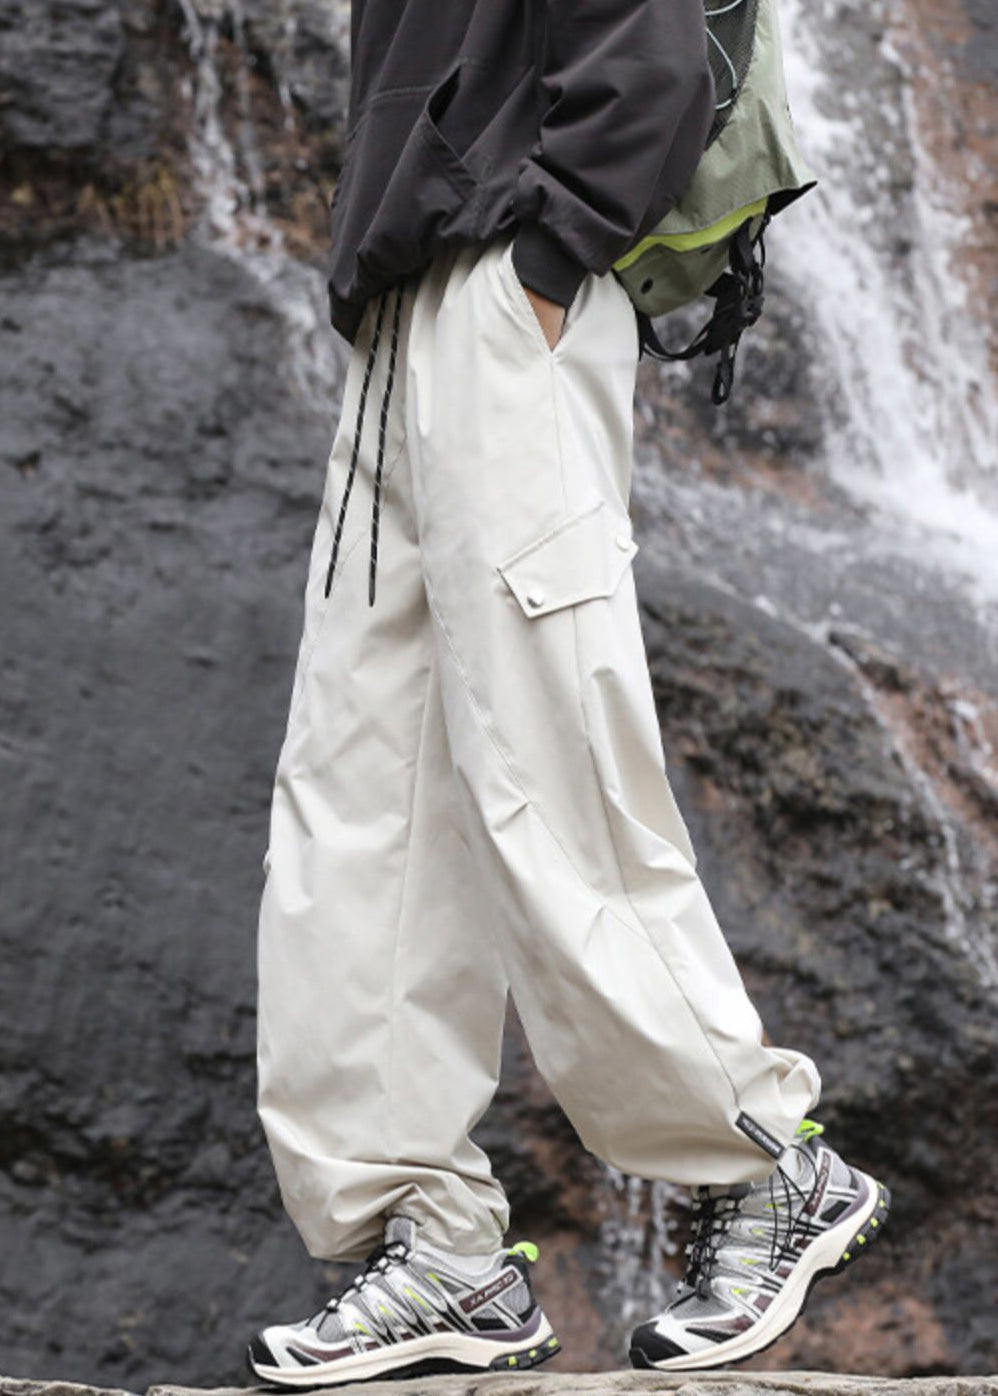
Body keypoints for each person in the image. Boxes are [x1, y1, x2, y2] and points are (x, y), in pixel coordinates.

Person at [248, 0, 890, 1383]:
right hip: (402, 299)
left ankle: (762, 1161)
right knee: (358, 789)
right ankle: (432, 1242)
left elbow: (645, 53)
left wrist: (553, 252)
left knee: (547, 746)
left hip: (509, 282)